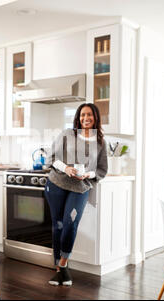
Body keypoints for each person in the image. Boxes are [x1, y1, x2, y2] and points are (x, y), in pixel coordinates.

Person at [45, 103, 108, 286]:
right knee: (58, 226)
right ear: (78, 117)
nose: (85, 118)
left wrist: (88, 174)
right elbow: (51, 158)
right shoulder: (67, 134)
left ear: (95, 117)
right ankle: (59, 270)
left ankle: (63, 264)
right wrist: (66, 168)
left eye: (89, 115)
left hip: (81, 187)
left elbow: (102, 170)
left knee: (70, 224)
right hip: (57, 183)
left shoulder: (101, 142)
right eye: (82, 115)